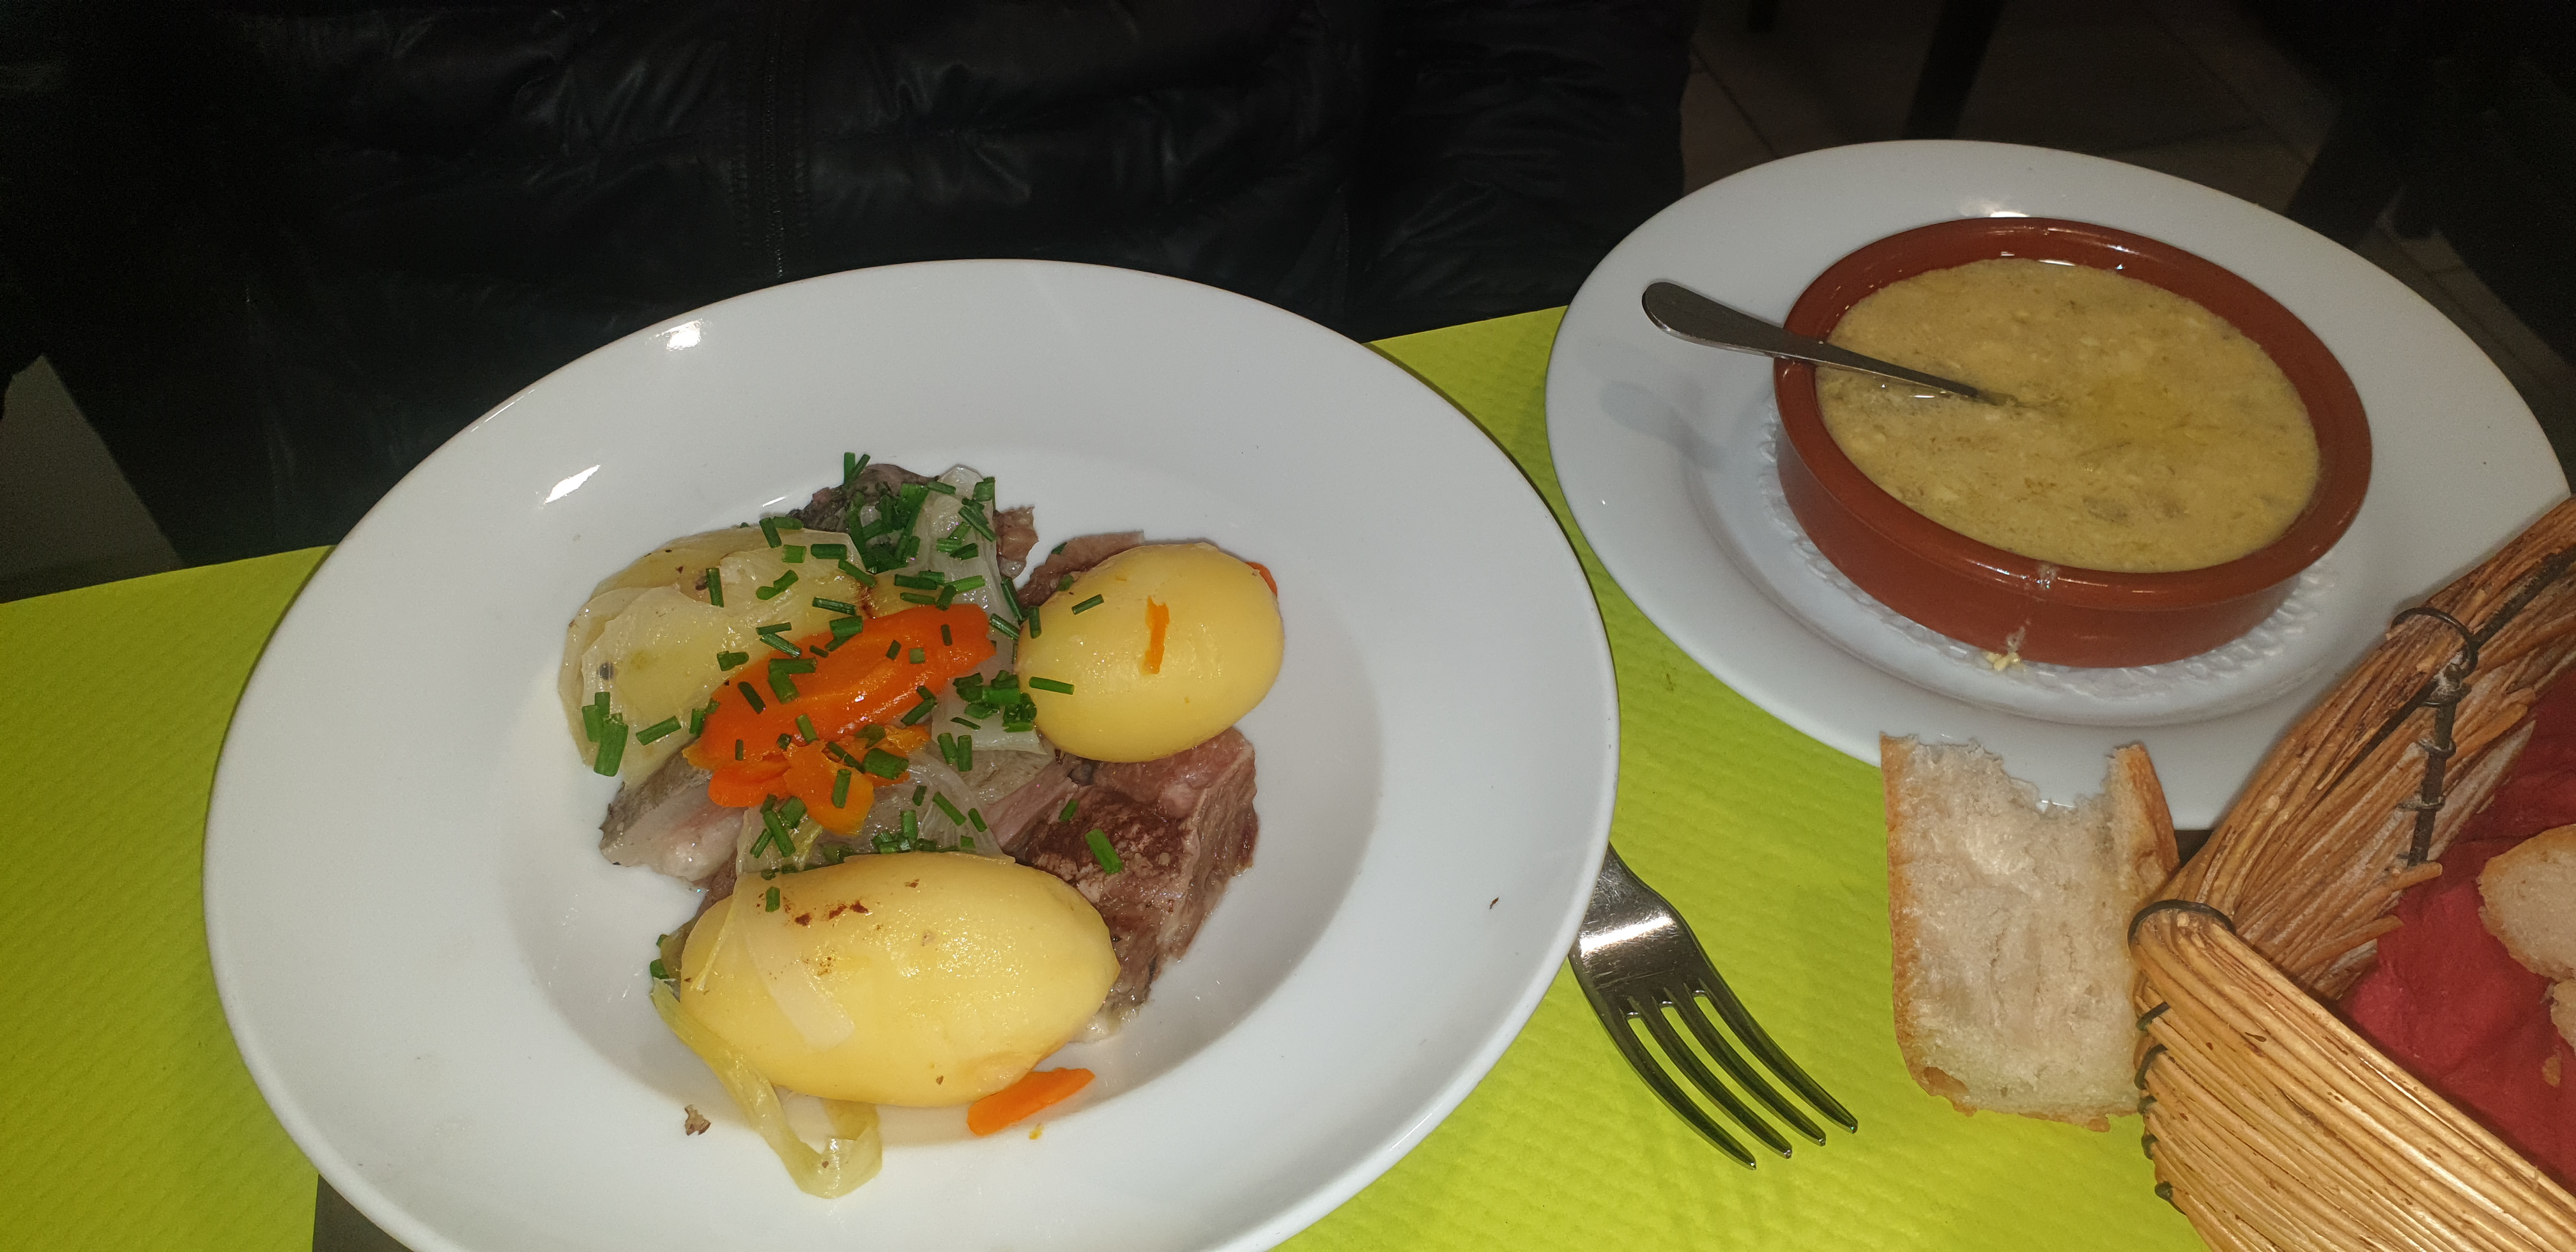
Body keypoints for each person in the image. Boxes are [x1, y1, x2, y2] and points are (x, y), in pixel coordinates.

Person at [1, 0, 1694, 563]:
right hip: (430, 462)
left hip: (1216, 432)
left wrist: (1436, 449)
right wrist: (270, 510)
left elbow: (1536, 56)